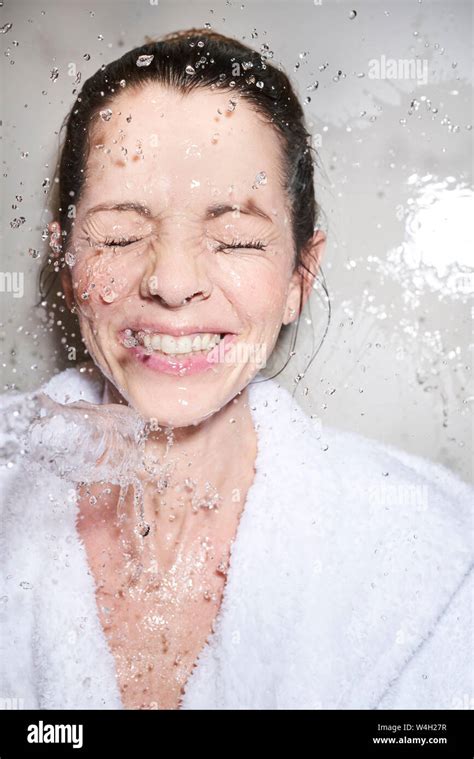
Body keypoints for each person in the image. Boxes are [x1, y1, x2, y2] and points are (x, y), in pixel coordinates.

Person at [0, 29, 472, 711]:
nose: (171, 280)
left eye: (236, 239)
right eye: (119, 236)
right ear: (66, 258)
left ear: (298, 276)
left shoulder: (431, 559)